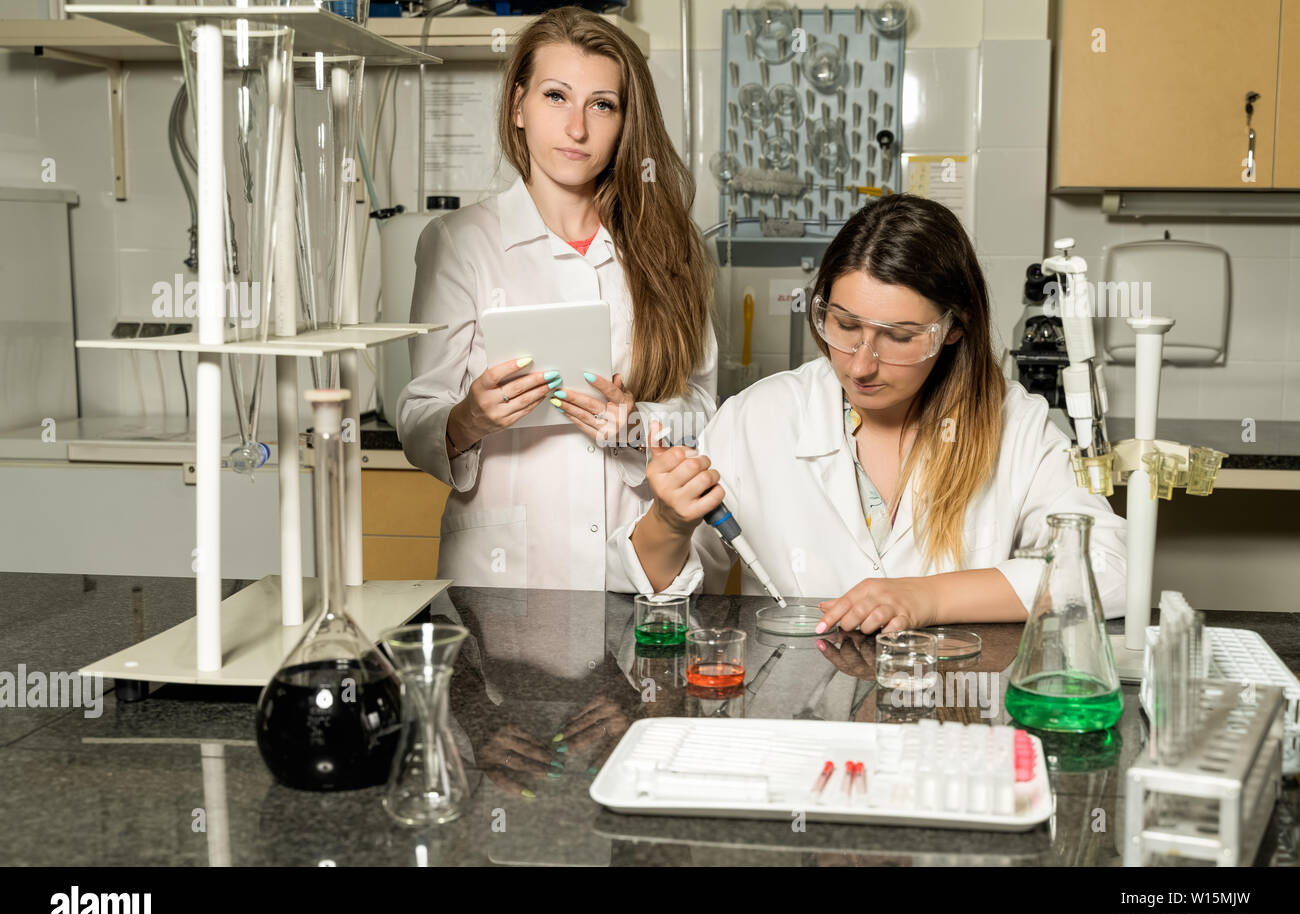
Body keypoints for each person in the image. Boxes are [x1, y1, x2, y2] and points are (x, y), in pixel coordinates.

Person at [607, 193, 1127, 634]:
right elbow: (655, 595)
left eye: (899, 337)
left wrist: (926, 599)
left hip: (948, 712)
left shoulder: (1016, 425)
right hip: (800, 713)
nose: (861, 365)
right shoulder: (760, 416)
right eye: (845, 325)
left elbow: (1108, 567)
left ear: (954, 328)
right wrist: (669, 521)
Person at [396, 7, 717, 589]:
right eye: (555, 97)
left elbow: (704, 415)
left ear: (624, 122)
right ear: (517, 106)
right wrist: (467, 418)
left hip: (634, 563)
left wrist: (637, 423)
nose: (577, 128)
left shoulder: (671, 247)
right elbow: (419, 414)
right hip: (501, 577)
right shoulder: (458, 242)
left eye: (601, 104)